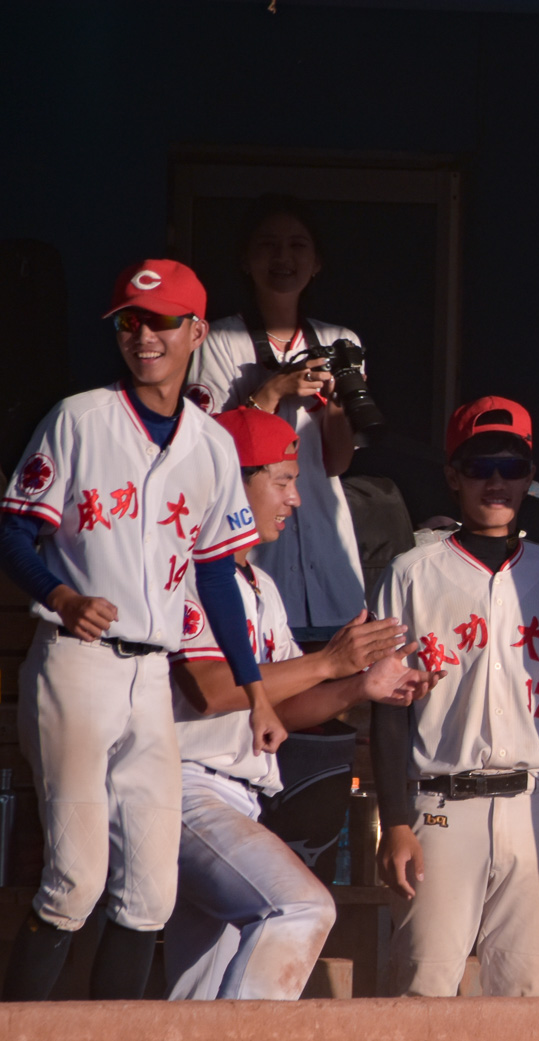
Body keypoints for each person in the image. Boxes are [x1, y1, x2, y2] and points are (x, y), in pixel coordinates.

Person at [0, 259, 281, 1002]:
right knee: (75, 879)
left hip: (151, 674)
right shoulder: (80, 417)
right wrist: (59, 593)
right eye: (131, 320)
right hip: (77, 662)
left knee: (152, 891)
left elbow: (217, 572)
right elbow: (13, 532)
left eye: (160, 321)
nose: (144, 335)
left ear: (195, 330)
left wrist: (256, 688)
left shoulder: (214, 445)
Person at [163, 406, 429, 1000]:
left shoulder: (261, 584)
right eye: (282, 481)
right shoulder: (185, 570)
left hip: (238, 793)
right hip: (182, 788)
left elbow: (282, 710)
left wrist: (359, 686)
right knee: (301, 907)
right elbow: (208, 691)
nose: (296, 498)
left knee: (200, 995)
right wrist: (330, 661)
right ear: (234, 483)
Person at [371, 396, 539, 996]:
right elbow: (386, 710)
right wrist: (397, 822)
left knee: (525, 994)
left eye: (512, 466)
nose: (498, 481)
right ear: (454, 475)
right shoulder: (410, 573)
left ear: (531, 475)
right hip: (440, 804)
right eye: (481, 466)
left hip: (532, 808)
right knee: (424, 988)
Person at [185, 195, 370, 643]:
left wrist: (338, 408)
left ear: (317, 261)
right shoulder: (219, 339)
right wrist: (272, 391)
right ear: (246, 261)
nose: (283, 258)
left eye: (297, 245)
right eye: (267, 245)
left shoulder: (339, 340)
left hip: (325, 541)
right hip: (252, 547)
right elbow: (210, 452)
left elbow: (338, 463)